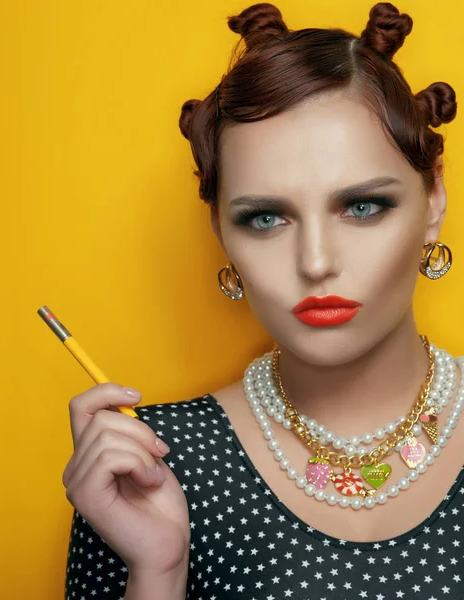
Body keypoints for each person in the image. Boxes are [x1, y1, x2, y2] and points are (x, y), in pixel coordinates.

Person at [62, 3, 463, 599]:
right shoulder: (150, 466)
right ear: (221, 231)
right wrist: (158, 572)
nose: (316, 262)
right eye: (266, 217)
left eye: (362, 207)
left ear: (433, 199)